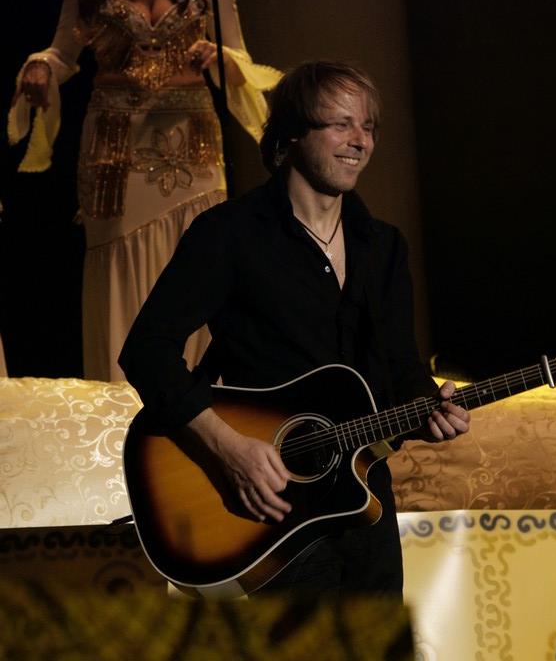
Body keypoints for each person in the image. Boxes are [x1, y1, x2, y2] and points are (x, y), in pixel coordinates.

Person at [119, 60, 470, 595]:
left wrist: (429, 407)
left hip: (363, 501)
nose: (360, 141)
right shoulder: (229, 234)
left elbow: (400, 368)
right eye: (341, 124)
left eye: (369, 127)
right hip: (267, 505)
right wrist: (228, 449)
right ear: (291, 135)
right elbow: (147, 350)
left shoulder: (383, 246)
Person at [8, 0, 280, 381]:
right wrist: (38, 67)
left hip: (192, 144)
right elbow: (64, 53)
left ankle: (199, 400)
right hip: (115, 147)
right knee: (120, 267)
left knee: (198, 261)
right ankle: (124, 406)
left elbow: (240, 58)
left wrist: (217, 56)